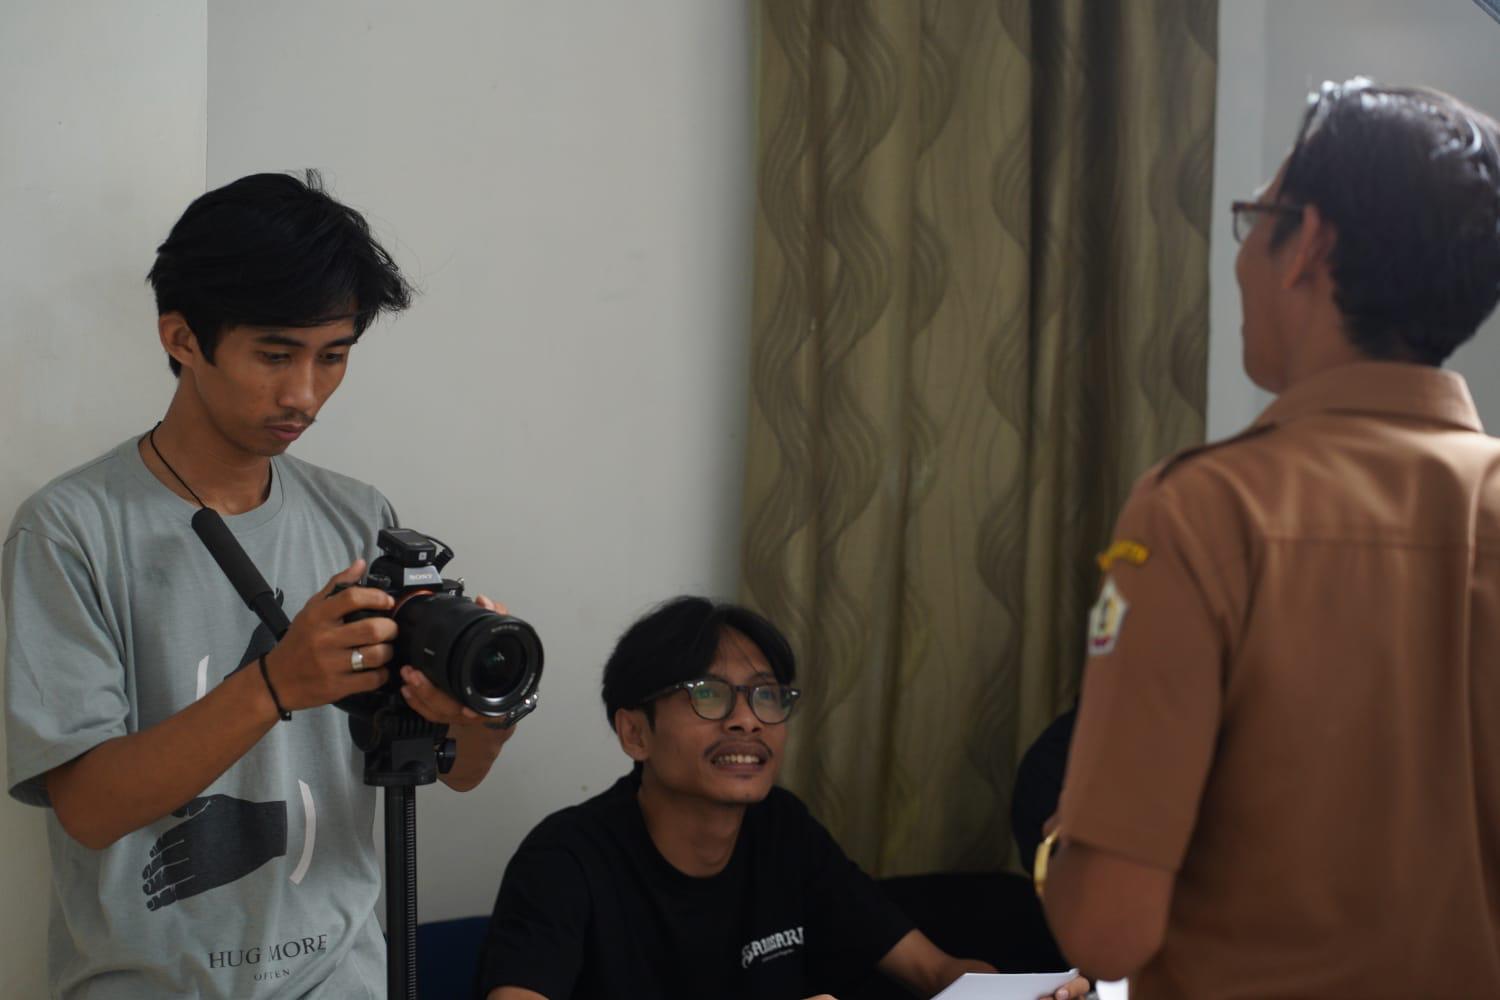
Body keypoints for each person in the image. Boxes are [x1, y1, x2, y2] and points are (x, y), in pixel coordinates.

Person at [3, 171, 517, 998]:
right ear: (182, 337)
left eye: (334, 356)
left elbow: (454, 770)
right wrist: (276, 684)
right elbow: (89, 809)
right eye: (275, 355)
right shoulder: (71, 530)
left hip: (344, 979)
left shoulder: (360, 518)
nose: (304, 394)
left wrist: (480, 712)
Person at [1038, 79, 1500, 996]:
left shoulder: (1202, 512)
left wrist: (1066, 845)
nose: (1243, 255)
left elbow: (1107, 929)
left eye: (1257, 219)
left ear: (1310, 246)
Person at [474, 596, 1089, 1000]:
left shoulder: (781, 829)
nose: (748, 720)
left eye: (767, 696)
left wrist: (1020, 992)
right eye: (709, 694)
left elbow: (933, 971)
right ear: (635, 732)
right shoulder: (566, 859)